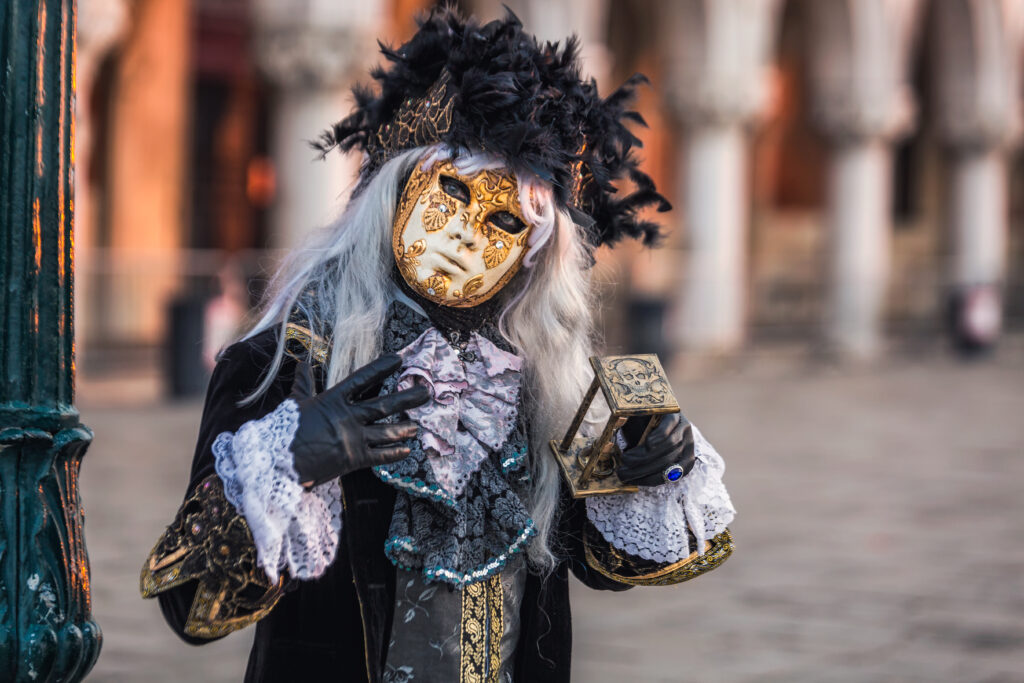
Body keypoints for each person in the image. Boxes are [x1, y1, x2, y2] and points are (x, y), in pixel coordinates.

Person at [140, 8, 735, 683]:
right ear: (396, 195)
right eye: (449, 192)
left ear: (532, 259)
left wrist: (644, 472)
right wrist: (290, 459)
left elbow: (607, 563)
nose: (466, 236)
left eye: (505, 221)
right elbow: (192, 606)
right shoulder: (287, 363)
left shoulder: (540, 383)